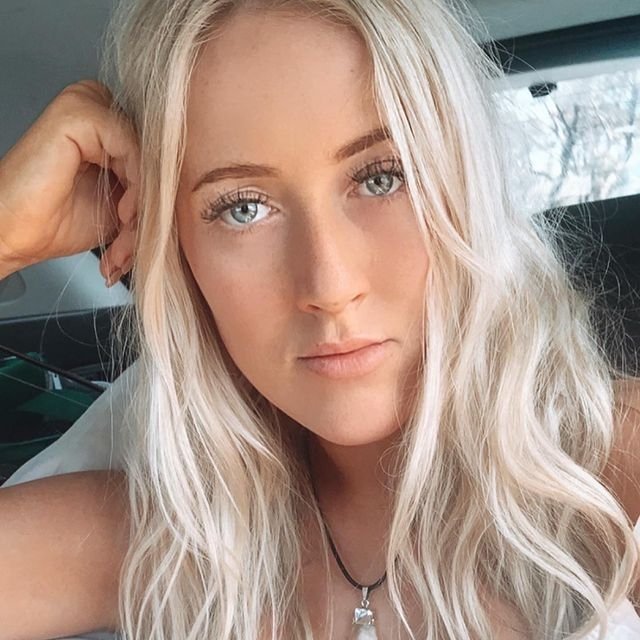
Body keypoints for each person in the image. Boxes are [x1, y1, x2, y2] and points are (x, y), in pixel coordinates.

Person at [1, 0, 640, 638]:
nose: (329, 287)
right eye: (243, 209)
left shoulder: (612, 474)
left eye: (383, 178)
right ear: (178, 250)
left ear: (467, 185)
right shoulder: (165, 538)